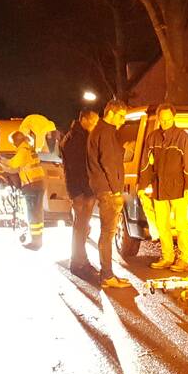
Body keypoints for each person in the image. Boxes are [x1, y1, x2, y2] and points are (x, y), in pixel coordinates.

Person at [138, 104, 188, 272]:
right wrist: (143, 184)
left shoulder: (182, 137)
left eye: (168, 119)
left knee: (181, 225)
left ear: (173, 117)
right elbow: (145, 163)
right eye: (162, 119)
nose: (165, 122)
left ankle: (184, 259)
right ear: (158, 118)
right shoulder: (152, 137)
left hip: (179, 187)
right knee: (162, 224)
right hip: (159, 187)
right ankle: (167, 256)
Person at [86, 100, 131, 289]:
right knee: (107, 234)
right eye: (121, 116)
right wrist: (116, 190)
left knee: (107, 233)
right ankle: (107, 276)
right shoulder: (106, 131)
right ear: (111, 113)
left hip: (103, 188)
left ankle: (108, 274)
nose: (122, 121)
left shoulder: (99, 131)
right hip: (108, 190)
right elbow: (109, 163)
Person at [60, 109, 100, 274]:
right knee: (81, 227)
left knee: (81, 227)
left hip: (79, 190)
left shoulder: (73, 137)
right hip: (81, 191)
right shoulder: (77, 139)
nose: (95, 125)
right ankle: (79, 262)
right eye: (94, 122)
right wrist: (88, 190)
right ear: (84, 120)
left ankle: (79, 261)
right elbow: (78, 169)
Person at [8, 131, 46, 249]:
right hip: (38, 183)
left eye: (14, 142)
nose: (14, 145)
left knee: (32, 214)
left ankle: (35, 243)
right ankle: (38, 240)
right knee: (37, 213)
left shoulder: (23, 150)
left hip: (31, 185)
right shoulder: (30, 148)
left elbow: (13, 164)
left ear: (17, 140)